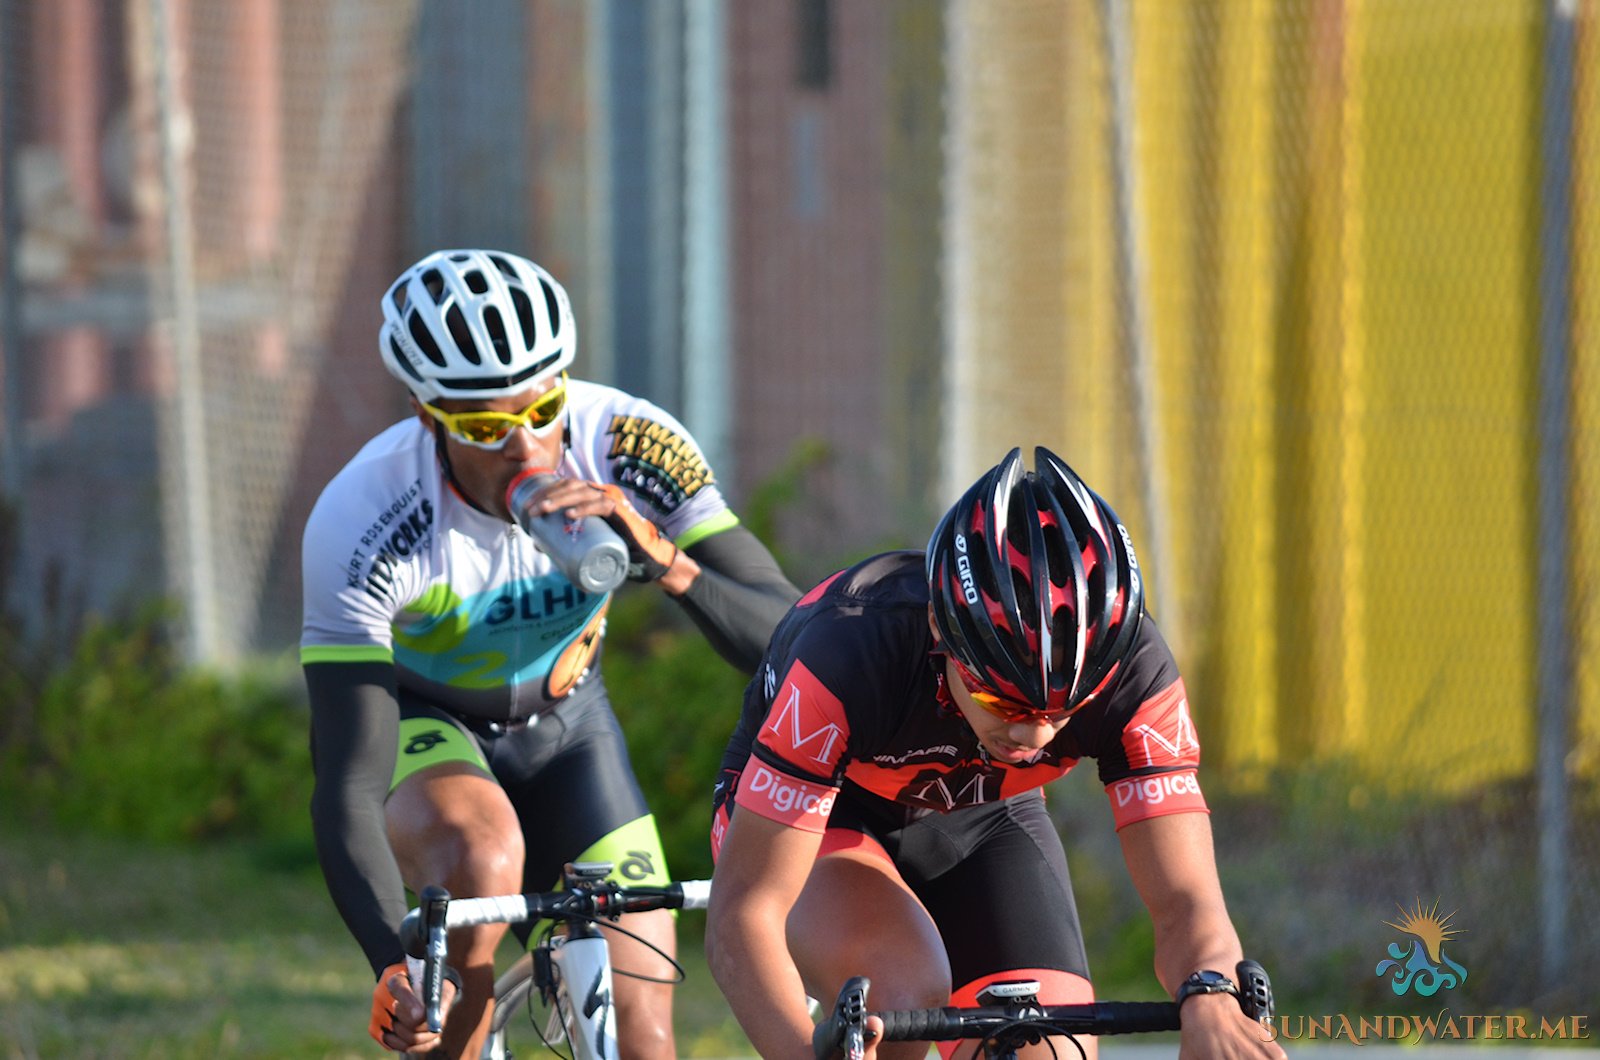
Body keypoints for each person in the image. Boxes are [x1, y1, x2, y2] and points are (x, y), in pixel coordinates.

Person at [300, 248, 800, 1058]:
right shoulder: (365, 514)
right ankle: (461, 1014)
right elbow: (348, 779)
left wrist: (664, 559)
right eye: (486, 427)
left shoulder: (629, 445)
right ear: (430, 418)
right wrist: (390, 963)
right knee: (480, 858)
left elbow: (791, 643)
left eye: (542, 409)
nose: (525, 446)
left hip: (570, 724)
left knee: (643, 1033)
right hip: (430, 721)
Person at [705, 446, 1287, 1060]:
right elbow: (743, 915)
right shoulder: (851, 652)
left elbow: (1187, 899)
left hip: (981, 821)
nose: (1033, 738)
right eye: (1003, 702)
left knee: (1048, 1051)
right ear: (941, 633)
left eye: (1062, 712)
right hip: (829, 814)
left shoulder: (1135, 675)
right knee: (904, 984)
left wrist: (1211, 993)